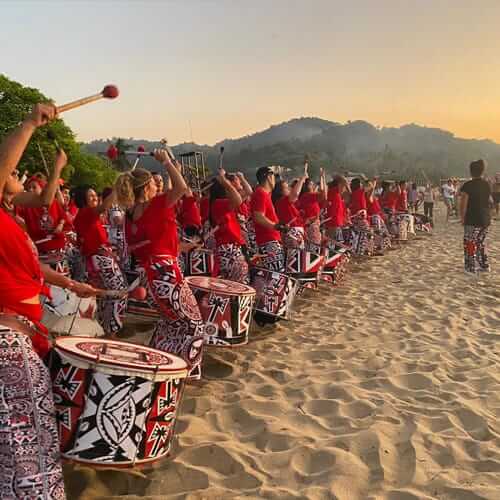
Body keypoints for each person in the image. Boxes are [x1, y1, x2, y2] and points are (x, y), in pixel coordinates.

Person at [0, 103, 96, 500]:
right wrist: (28, 124)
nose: (18, 179)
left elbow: (41, 205)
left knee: (31, 436)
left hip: (27, 331)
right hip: (8, 338)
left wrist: (69, 283)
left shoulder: (9, 217)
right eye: (12, 174)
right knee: (27, 442)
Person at [116, 156, 204, 378]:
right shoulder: (156, 204)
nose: (159, 185)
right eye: (154, 183)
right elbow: (182, 187)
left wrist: (180, 246)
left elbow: (151, 244)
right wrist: (166, 161)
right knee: (194, 324)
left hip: (150, 275)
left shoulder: (130, 215)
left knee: (171, 323)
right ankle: (187, 372)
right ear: (147, 187)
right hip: (166, 273)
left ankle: (161, 363)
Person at [73, 185, 128, 337]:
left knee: (107, 295)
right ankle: (111, 333)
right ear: (83, 201)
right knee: (118, 293)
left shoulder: (86, 215)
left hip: (98, 259)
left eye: (95, 195)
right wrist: (118, 186)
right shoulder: (86, 213)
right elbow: (105, 205)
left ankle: (107, 331)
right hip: (100, 260)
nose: (95, 198)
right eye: (91, 197)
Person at [209, 169, 249, 283]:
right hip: (229, 249)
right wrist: (225, 181)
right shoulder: (218, 203)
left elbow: (245, 193)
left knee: (234, 283)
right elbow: (237, 199)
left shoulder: (220, 203)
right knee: (240, 284)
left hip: (230, 248)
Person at [250, 166, 286, 272]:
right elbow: (258, 216)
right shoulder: (260, 193)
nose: (275, 180)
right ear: (269, 177)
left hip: (271, 240)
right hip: (268, 241)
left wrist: (280, 225)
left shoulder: (265, 194)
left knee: (276, 274)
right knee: (275, 275)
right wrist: (275, 226)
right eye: (274, 176)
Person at [459, 160, 491, 273]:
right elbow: (489, 201)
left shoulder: (468, 185)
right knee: (481, 242)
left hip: (472, 219)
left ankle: (470, 267)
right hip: (485, 219)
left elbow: (463, 204)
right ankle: (484, 265)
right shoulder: (487, 184)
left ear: (471, 171)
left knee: (469, 242)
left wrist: (462, 218)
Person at [273, 165, 308, 249]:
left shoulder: (282, 202)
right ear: (280, 191)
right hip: (292, 234)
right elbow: (295, 194)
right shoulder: (282, 201)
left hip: (293, 233)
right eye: (286, 187)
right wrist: (302, 178)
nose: (289, 188)